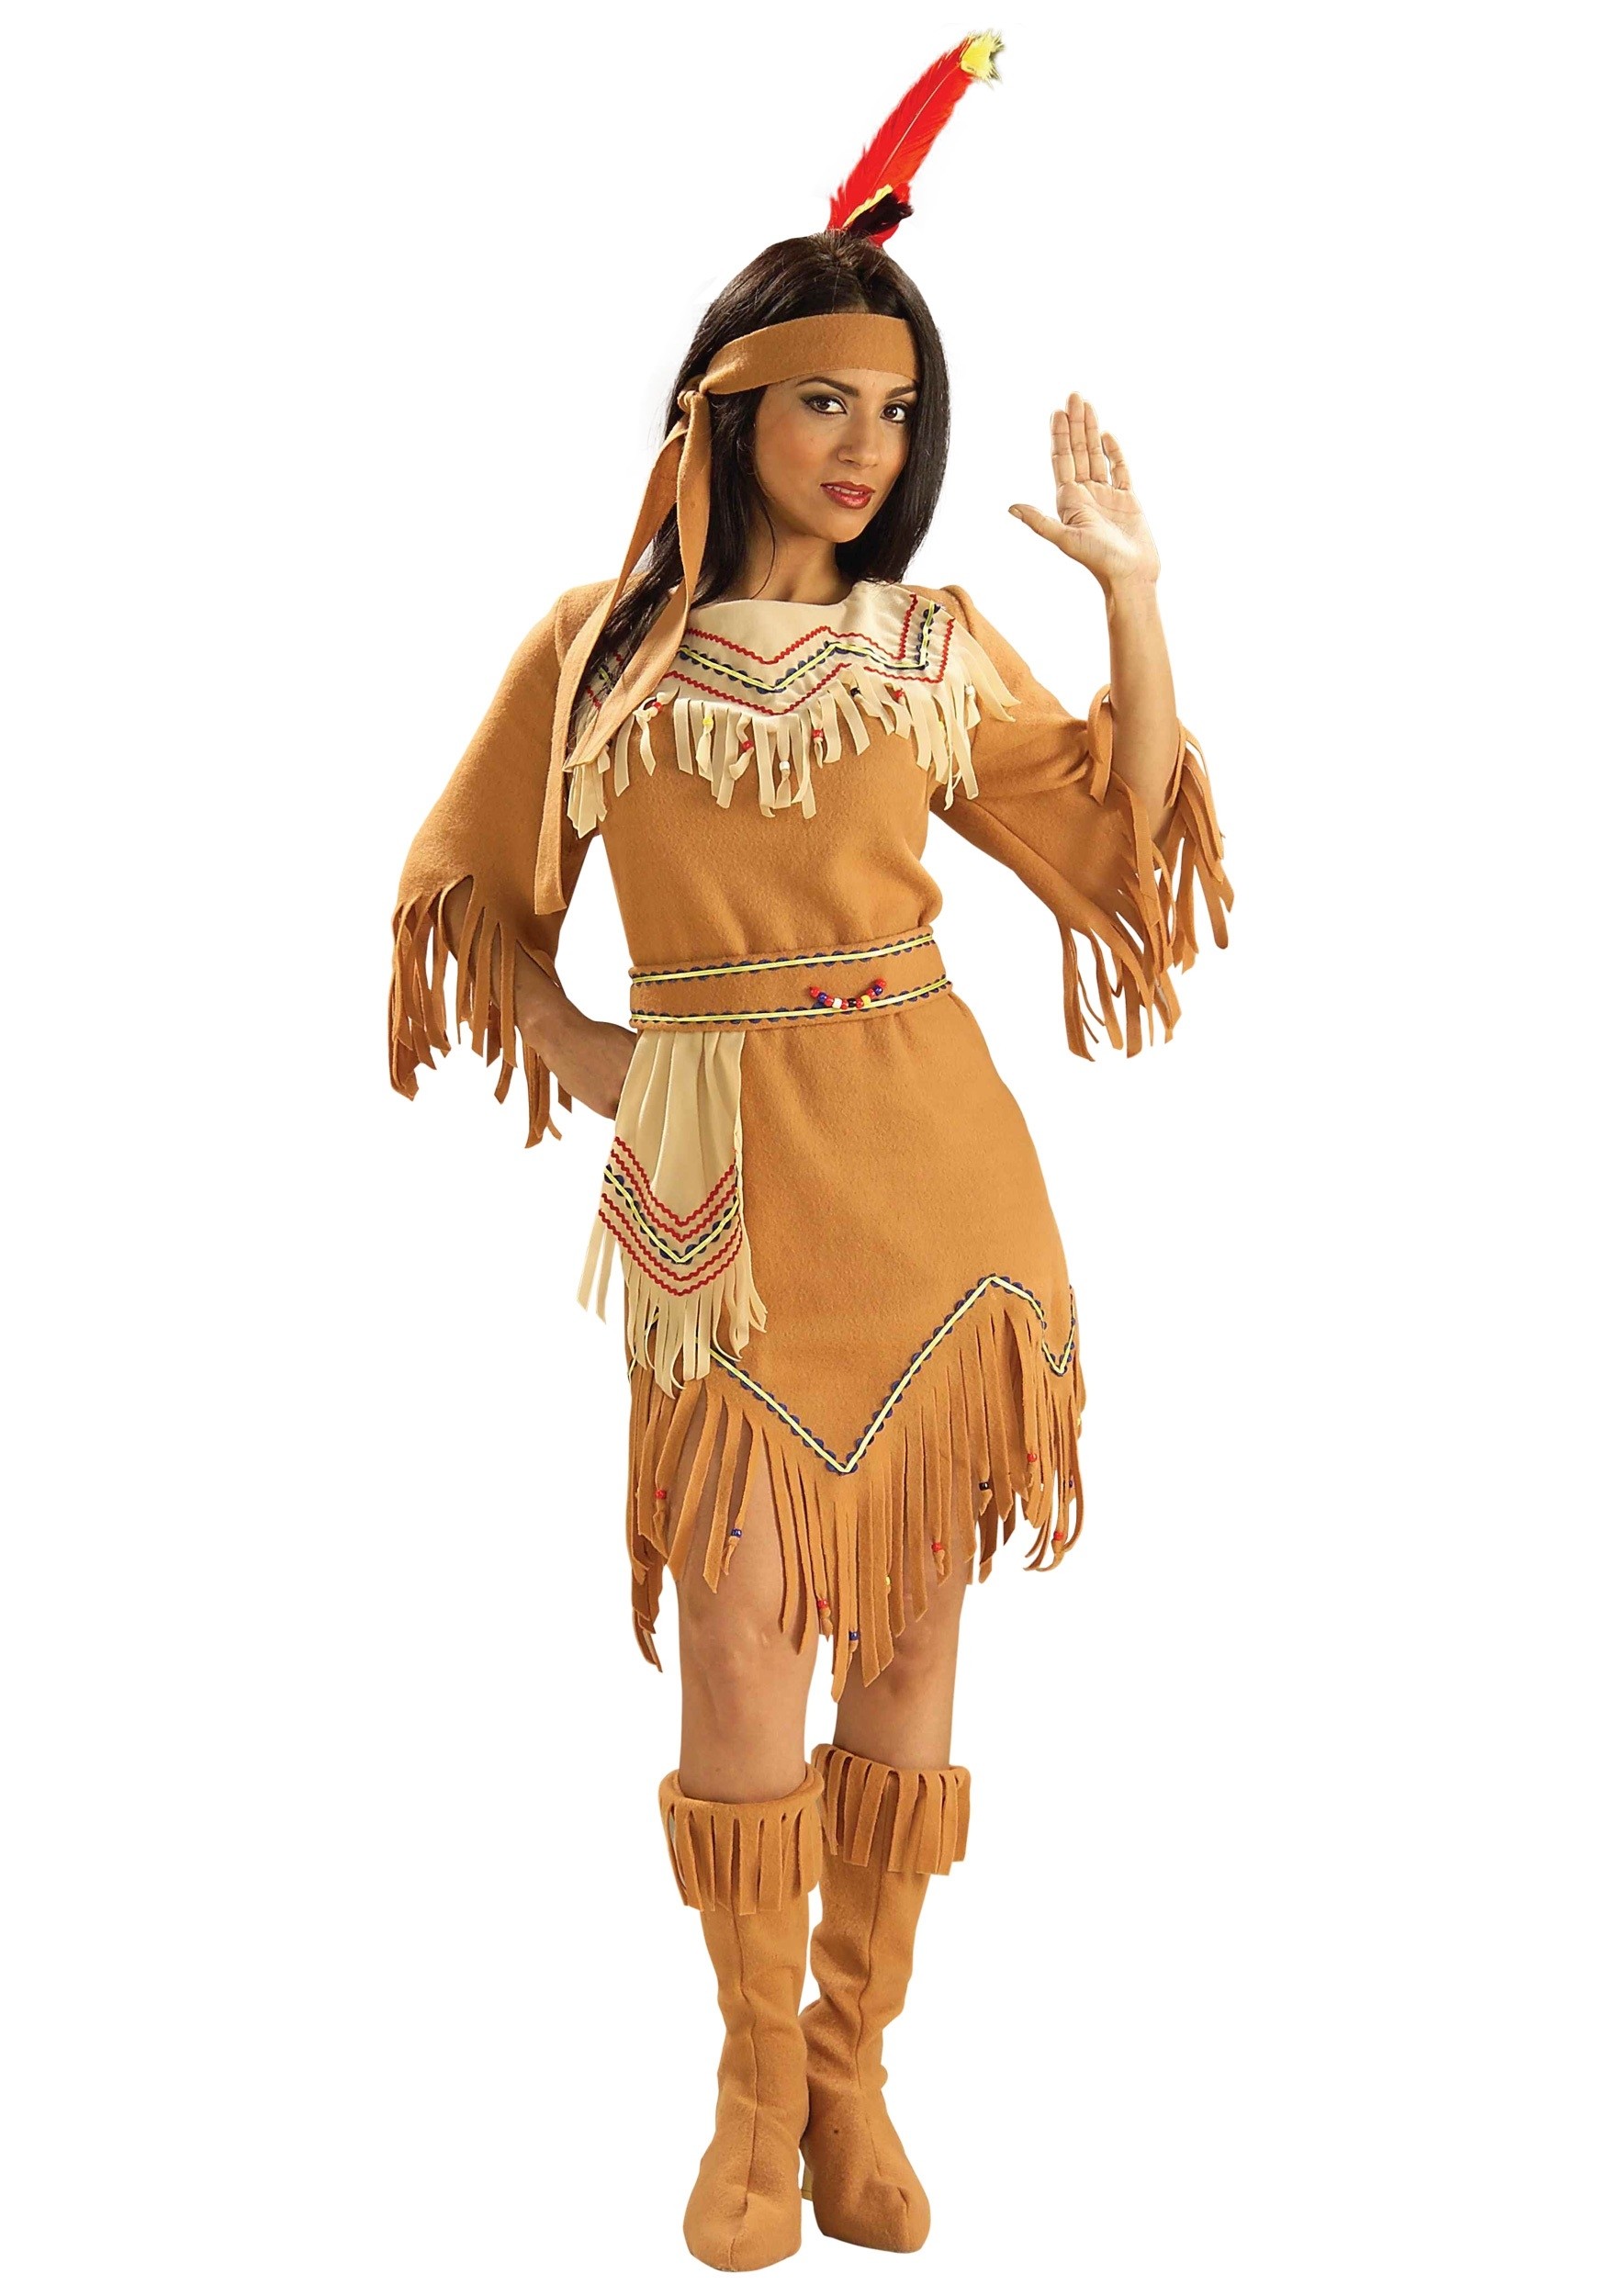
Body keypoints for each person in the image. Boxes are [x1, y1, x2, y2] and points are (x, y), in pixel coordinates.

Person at [387, 32, 1231, 2272]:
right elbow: (471, 896)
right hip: (723, 1222)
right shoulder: (599, 656)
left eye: (893, 410)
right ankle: (749, 2092)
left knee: (911, 1648)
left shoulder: (926, 643)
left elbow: (1117, 846)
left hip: (941, 1194)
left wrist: (1132, 596)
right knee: (742, 1649)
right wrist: (608, 1057)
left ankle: (854, 2076)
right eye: (826, 401)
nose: (864, 446)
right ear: (723, 409)